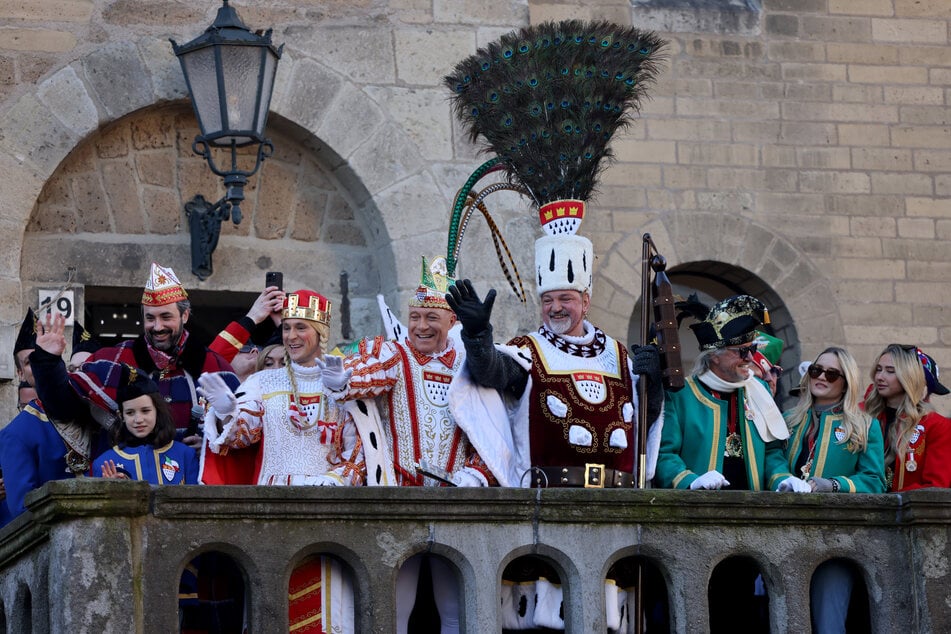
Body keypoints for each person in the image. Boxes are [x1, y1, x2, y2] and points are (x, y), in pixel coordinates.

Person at [324, 255, 493, 634]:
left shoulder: (469, 366)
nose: (420, 326)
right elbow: (367, 376)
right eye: (415, 317)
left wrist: (476, 476)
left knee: (457, 608)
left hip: (456, 501)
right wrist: (341, 380)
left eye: (431, 318)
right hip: (401, 500)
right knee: (394, 609)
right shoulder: (395, 357)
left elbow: (491, 431)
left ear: (453, 321)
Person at [198, 288, 365, 633]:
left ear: (321, 332)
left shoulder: (342, 381)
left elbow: (359, 452)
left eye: (301, 327)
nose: (291, 336)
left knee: (327, 610)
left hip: (329, 505)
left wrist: (332, 484)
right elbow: (243, 435)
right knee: (272, 606)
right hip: (274, 501)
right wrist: (228, 411)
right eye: (287, 328)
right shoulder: (263, 381)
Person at [31, 263, 239, 449]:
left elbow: (245, 432)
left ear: (184, 315)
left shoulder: (216, 367)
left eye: (166, 317)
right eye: (150, 318)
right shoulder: (111, 359)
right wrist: (48, 361)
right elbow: (63, 407)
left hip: (191, 487)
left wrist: (212, 446)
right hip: (124, 485)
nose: (157, 327)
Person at [768, 346, 884, 634]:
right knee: (784, 620)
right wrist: (783, 479)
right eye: (816, 370)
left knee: (828, 623)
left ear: (846, 381)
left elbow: (873, 480)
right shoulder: (788, 419)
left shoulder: (864, 425)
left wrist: (831, 485)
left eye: (832, 374)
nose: (821, 377)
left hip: (834, 538)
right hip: (786, 534)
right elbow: (772, 458)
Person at [654, 295, 791, 492]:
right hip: (696, 509)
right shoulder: (680, 394)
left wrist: (782, 480)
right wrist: (691, 481)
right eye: (742, 352)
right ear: (714, 356)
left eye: (752, 349)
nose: (750, 358)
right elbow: (664, 454)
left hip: (753, 510)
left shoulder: (758, 390)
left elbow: (771, 452)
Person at [1, 310, 95, 526]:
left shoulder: (89, 407)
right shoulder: (15, 434)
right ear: (20, 374)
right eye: (29, 361)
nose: (39, 363)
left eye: (45, 355)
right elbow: (23, 511)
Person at [864, 344, 951, 491]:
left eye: (890, 371)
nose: (879, 377)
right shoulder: (865, 417)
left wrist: (889, 501)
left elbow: (935, 487)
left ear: (909, 377)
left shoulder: (937, 425)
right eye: (878, 370)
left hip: (906, 511)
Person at [93, 366, 199, 485]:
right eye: (130, 413)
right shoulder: (104, 463)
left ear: (157, 411)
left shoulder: (185, 455)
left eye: (145, 411)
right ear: (121, 416)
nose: (138, 419)